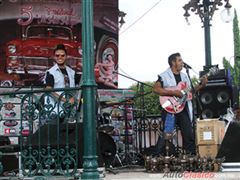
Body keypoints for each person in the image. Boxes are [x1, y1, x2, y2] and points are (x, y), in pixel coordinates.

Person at [153, 52, 208, 155]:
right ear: (173, 62)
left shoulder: (184, 76)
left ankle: (190, 157)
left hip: (183, 109)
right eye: (180, 60)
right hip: (169, 109)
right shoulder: (164, 75)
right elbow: (156, 89)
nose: (182, 63)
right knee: (167, 134)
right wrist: (173, 92)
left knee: (188, 134)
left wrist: (201, 85)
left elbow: (189, 92)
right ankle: (157, 156)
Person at [44, 44, 80, 121]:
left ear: (66, 56)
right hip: (55, 110)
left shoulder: (72, 72)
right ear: (54, 57)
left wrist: (75, 98)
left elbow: (80, 85)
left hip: (70, 110)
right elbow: (48, 90)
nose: (60, 57)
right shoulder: (51, 72)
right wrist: (65, 100)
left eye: (62, 55)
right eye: (57, 55)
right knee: (56, 131)